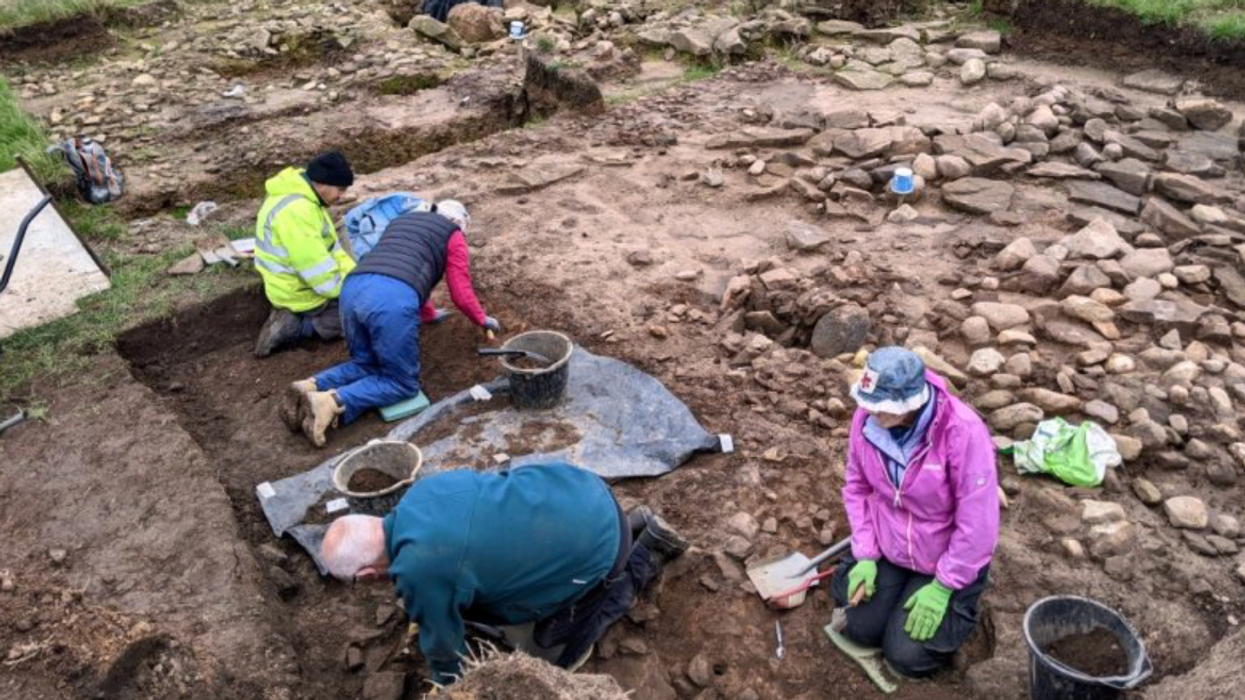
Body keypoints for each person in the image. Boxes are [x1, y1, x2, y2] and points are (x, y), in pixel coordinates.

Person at [320, 462, 688, 686]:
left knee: (551, 659)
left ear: (368, 574)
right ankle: (629, 523)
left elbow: (446, 652)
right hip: (584, 491)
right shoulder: (422, 494)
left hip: (598, 549)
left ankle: (645, 554)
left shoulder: (420, 569)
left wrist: (451, 688)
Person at [830, 346, 999, 678]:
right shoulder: (866, 418)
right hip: (891, 548)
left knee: (906, 657)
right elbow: (857, 488)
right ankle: (891, 590)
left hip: (943, 557)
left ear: (911, 402)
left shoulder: (962, 431)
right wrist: (865, 554)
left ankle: (959, 598)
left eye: (882, 408)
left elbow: (978, 522)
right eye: (868, 404)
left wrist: (945, 585)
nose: (871, 415)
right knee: (858, 628)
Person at [280, 201, 501, 447]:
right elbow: (460, 291)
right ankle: (333, 401)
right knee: (402, 383)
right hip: (390, 300)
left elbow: (409, 268)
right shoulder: (453, 235)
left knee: (366, 362)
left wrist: (427, 314)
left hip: (353, 289)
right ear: (459, 223)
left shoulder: (401, 223)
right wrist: (481, 319)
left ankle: (310, 385)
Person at [253, 151, 357, 357]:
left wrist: (355, 276)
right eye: (340, 189)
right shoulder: (298, 212)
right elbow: (321, 277)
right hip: (297, 291)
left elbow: (330, 251)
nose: (342, 196)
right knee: (361, 317)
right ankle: (297, 327)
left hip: (294, 281)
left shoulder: (304, 195)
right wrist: (353, 291)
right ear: (321, 184)